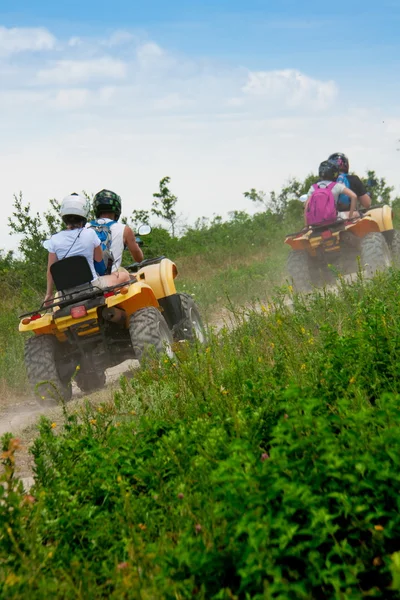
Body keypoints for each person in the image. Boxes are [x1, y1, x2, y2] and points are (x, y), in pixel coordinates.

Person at [43, 193, 130, 304]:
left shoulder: (54, 240)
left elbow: (51, 270)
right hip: (92, 286)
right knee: (124, 276)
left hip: (66, 294)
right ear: (84, 213)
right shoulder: (90, 234)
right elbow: (99, 260)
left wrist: (49, 294)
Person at [90, 189, 143, 275]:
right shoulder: (125, 230)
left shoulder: (84, 227)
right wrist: (135, 245)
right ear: (117, 208)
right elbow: (139, 259)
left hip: (87, 282)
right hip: (111, 282)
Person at [304, 160, 358, 226]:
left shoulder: (313, 188)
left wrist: (306, 226)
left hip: (315, 223)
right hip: (333, 220)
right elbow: (354, 196)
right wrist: (350, 217)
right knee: (356, 214)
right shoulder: (337, 186)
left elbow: (307, 206)